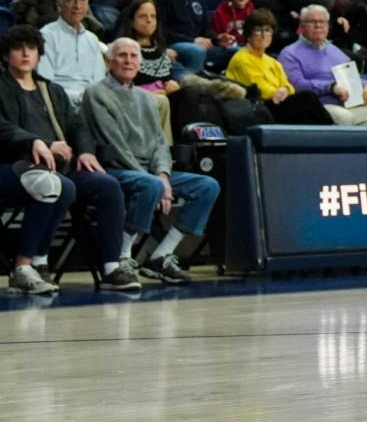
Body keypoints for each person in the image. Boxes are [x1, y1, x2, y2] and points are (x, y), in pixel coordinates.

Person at [78, 38, 222, 284]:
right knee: (150, 186)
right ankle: (122, 257)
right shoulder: (96, 94)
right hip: (115, 170)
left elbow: (159, 143)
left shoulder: (147, 98)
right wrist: (155, 181)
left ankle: (161, 255)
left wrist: (163, 175)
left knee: (207, 186)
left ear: (140, 64)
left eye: (133, 56)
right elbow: (116, 146)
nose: (128, 61)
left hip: (150, 174)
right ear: (108, 61)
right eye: (122, 55)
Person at [0, 25, 132, 293]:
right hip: (12, 166)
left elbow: (78, 126)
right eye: (18, 48)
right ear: (5, 55)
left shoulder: (51, 90)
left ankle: (111, 267)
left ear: (39, 54)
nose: (26, 53)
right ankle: (32, 262)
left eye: (32, 48)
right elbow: (2, 127)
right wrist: (40, 142)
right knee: (62, 187)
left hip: (57, 169)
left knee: (107, 186)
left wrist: (84, 150)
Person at [277, 5, 367, 125]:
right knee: (344, 118)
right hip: (320, 107)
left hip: (352, 105)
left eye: (322, 22)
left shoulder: (335, 51)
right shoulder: (289, 54)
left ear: (328, 26)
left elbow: (352, 78)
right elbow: (296, 86)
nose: (318, 26)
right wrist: (331, 87)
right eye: (312, 22)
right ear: (302, 26)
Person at [224, 11, 335, 123]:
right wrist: (281, 92)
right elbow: (259, 90)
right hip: (258, 108)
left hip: (278, 102)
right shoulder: (242, 58)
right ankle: (333, 130)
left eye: (267, 30)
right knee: (307, 98)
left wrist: (285, 90)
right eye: (258, 30)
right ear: (248, 34)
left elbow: (289, 86)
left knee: (306, 115)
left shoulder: (272, 61)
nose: (263, 35)